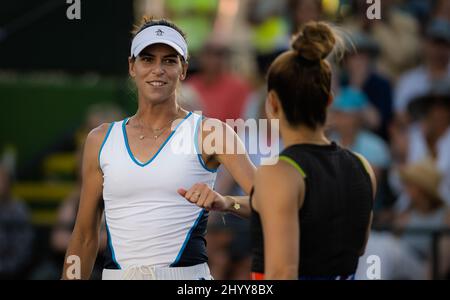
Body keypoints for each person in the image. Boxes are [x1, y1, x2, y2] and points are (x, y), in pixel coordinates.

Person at [62, 17, 255, 280]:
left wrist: (226, 202)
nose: (158, 69)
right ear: (132, 67)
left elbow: (269, 202)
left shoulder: (212, 132)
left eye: (169, 60)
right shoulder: (100, 139)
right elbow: (84, 237)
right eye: (148, 59)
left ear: (184, 69)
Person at [249, 22, 375, 280]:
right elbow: (352, 241)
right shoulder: (362, 167)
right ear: (329, 100)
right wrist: (231, 204)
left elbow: (282, 274)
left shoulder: (276, 174)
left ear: (272, 103)